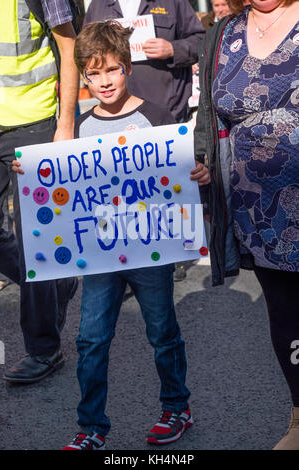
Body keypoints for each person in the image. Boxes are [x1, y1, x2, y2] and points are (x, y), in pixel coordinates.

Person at [29, 19, 209, 450]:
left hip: (149, 252)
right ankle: (91, 427)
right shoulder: (79, 131)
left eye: (111, 70)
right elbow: (56, 186)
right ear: (84, 78)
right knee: (91, 338)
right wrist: (30, 172)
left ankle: (175, 408)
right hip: (100, 256)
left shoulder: (157, 117)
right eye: (93, 73)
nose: (104, 81)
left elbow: (181, 173)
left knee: (162, 330)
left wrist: (197, 171)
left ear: (127, 67)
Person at [194, 0, 299, 450]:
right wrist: (201, 164)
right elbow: (208, 119)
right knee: (285, 313)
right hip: (259, 212)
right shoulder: (223, 32)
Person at [84, 0, 205, 282]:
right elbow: (85, 50)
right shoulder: (99, 5)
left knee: (165, 191)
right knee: (118, 193)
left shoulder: (172, 1)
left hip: (164, 115)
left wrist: (173, 49)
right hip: (111, 121)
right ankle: (121, 263)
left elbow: (203, 40)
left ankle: (170, 258)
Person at [0, 0, 79, 384]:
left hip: (34, 123)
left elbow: (69, 47)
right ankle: (57, 284)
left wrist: (65, 124)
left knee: (35, 237)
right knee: (34, 258)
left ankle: (44, 349)